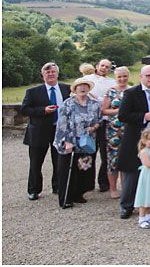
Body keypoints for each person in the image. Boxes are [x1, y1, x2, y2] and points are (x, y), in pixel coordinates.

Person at [117, 65, 150, 220]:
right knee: (132, 173)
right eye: (148, 75)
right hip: (137, 138)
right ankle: (127, 205)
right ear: (141, 77)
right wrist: (143, 116)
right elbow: (123, 115)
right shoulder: (131, 93)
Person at [22, 62, 70, 200]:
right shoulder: (33, 91)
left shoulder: (66, 89)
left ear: (57, 74)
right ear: (43, 75)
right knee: (36, 162)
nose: (51, 74)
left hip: (60, 130)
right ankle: (34, 190)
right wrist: (43, 110)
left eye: (53, 72)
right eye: (47, 72)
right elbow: (25, 110)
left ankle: (58, 186)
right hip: (39, 131)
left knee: (59, 161)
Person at [53, 76, 102, 208]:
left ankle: (78, 194)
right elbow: (62, 124)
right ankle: (66, 198)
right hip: (70, 141)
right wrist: (66, 142)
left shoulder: (94, 104)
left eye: (85, 86)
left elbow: (99, 121)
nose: (82, 88)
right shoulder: (68, 104)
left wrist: (94, 127)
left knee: (83, 168)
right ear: (74, 89)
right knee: (67, 170)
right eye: (79, 86)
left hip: (86, 143)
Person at [101, 66, 131, 198]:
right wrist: (118, 112)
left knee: (127, 159)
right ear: (115, 77)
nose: (122, 79)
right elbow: (103, 110)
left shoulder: (132, 90)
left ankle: (126, 187)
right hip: (113, 130)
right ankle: (113, 188)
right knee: (113, 159)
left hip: (129, 129)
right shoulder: (111, 92)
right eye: (119, 76)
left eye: (124, 76)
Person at [87, 59, 116, 192]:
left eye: (107, 67)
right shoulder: (87, 79)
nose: (104, 68)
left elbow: (111, 101)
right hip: (89, 121)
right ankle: (87, 182)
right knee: (89, 152)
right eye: (102, 66)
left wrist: (99, 100)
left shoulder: (112, 83)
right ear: (97, 66)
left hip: (105, 121)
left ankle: (103, 182)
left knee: (106, 153)